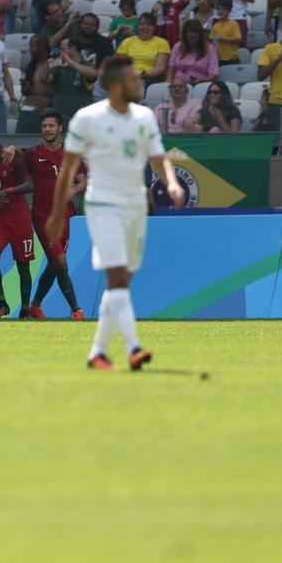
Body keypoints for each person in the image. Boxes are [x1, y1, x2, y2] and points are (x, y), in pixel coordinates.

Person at [44, 56, 186, 370]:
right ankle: (134, 347)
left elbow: (158, 158)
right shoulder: (87, 118)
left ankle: (97, 351)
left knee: (120, 282)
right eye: (135, 79)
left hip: (134, 204)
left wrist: (172, 184)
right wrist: (56, 214)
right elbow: (67, 170)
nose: (141, 83)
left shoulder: (145, 117)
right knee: (118, 276)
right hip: (102, 204)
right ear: (118, 85)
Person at [23, 110, 83, 319]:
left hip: (64, 216)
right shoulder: (32, 154)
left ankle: (36, 305)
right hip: (42, 217)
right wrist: (11, 148)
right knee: (60, 262)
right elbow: (12, 158)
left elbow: (83, 179)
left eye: (51, 126)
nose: (47, 130)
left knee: (55, 263)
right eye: (44, 126)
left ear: (60, 128)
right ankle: (76, 309)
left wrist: (73, 190)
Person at [0, 129, 34, 319]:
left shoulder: (13, 159)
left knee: (23, 266)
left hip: (20, 218)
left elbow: (29, 185)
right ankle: (2, 303)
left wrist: (8, 191)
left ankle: (25, 308)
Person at [116, 14, 170, 84]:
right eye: (142, 24)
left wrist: (142, 74)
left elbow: (160, 68)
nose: (145, 27)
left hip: (151, 78)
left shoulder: (162, 43)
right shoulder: (127, 41)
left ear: (154, 28)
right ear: (138, 26)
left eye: (149, 25)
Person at [167, 19, 219, 87]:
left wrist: (202, 81)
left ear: (200, 35)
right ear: (185, 34)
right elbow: (171, 70)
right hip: (178, 85)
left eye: (195, 32)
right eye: (189, 32)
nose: (192, 35)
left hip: (200, 85)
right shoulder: (177, 46)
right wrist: (169, 84)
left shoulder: (210, 49)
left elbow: (214, 75)